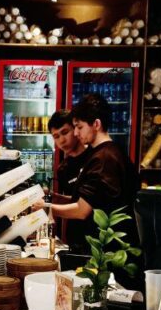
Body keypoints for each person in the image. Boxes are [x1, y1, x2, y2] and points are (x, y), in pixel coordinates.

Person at [38, 93, 138, 252]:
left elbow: (82, 210)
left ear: (96, 124)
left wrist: (45, 207)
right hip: (98, 247)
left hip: (107, 251)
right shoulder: (107, 153)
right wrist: (55, 198)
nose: (76, 133)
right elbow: (93, 200)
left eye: (79, 127)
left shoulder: (104, 158)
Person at [49, 109, 90, 198]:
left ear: (76, 129)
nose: (61, 140)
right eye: (56, 136)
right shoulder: (63, 169)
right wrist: (54, 196)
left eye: (65, 132)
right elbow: (73, 199)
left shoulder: (96, 156)